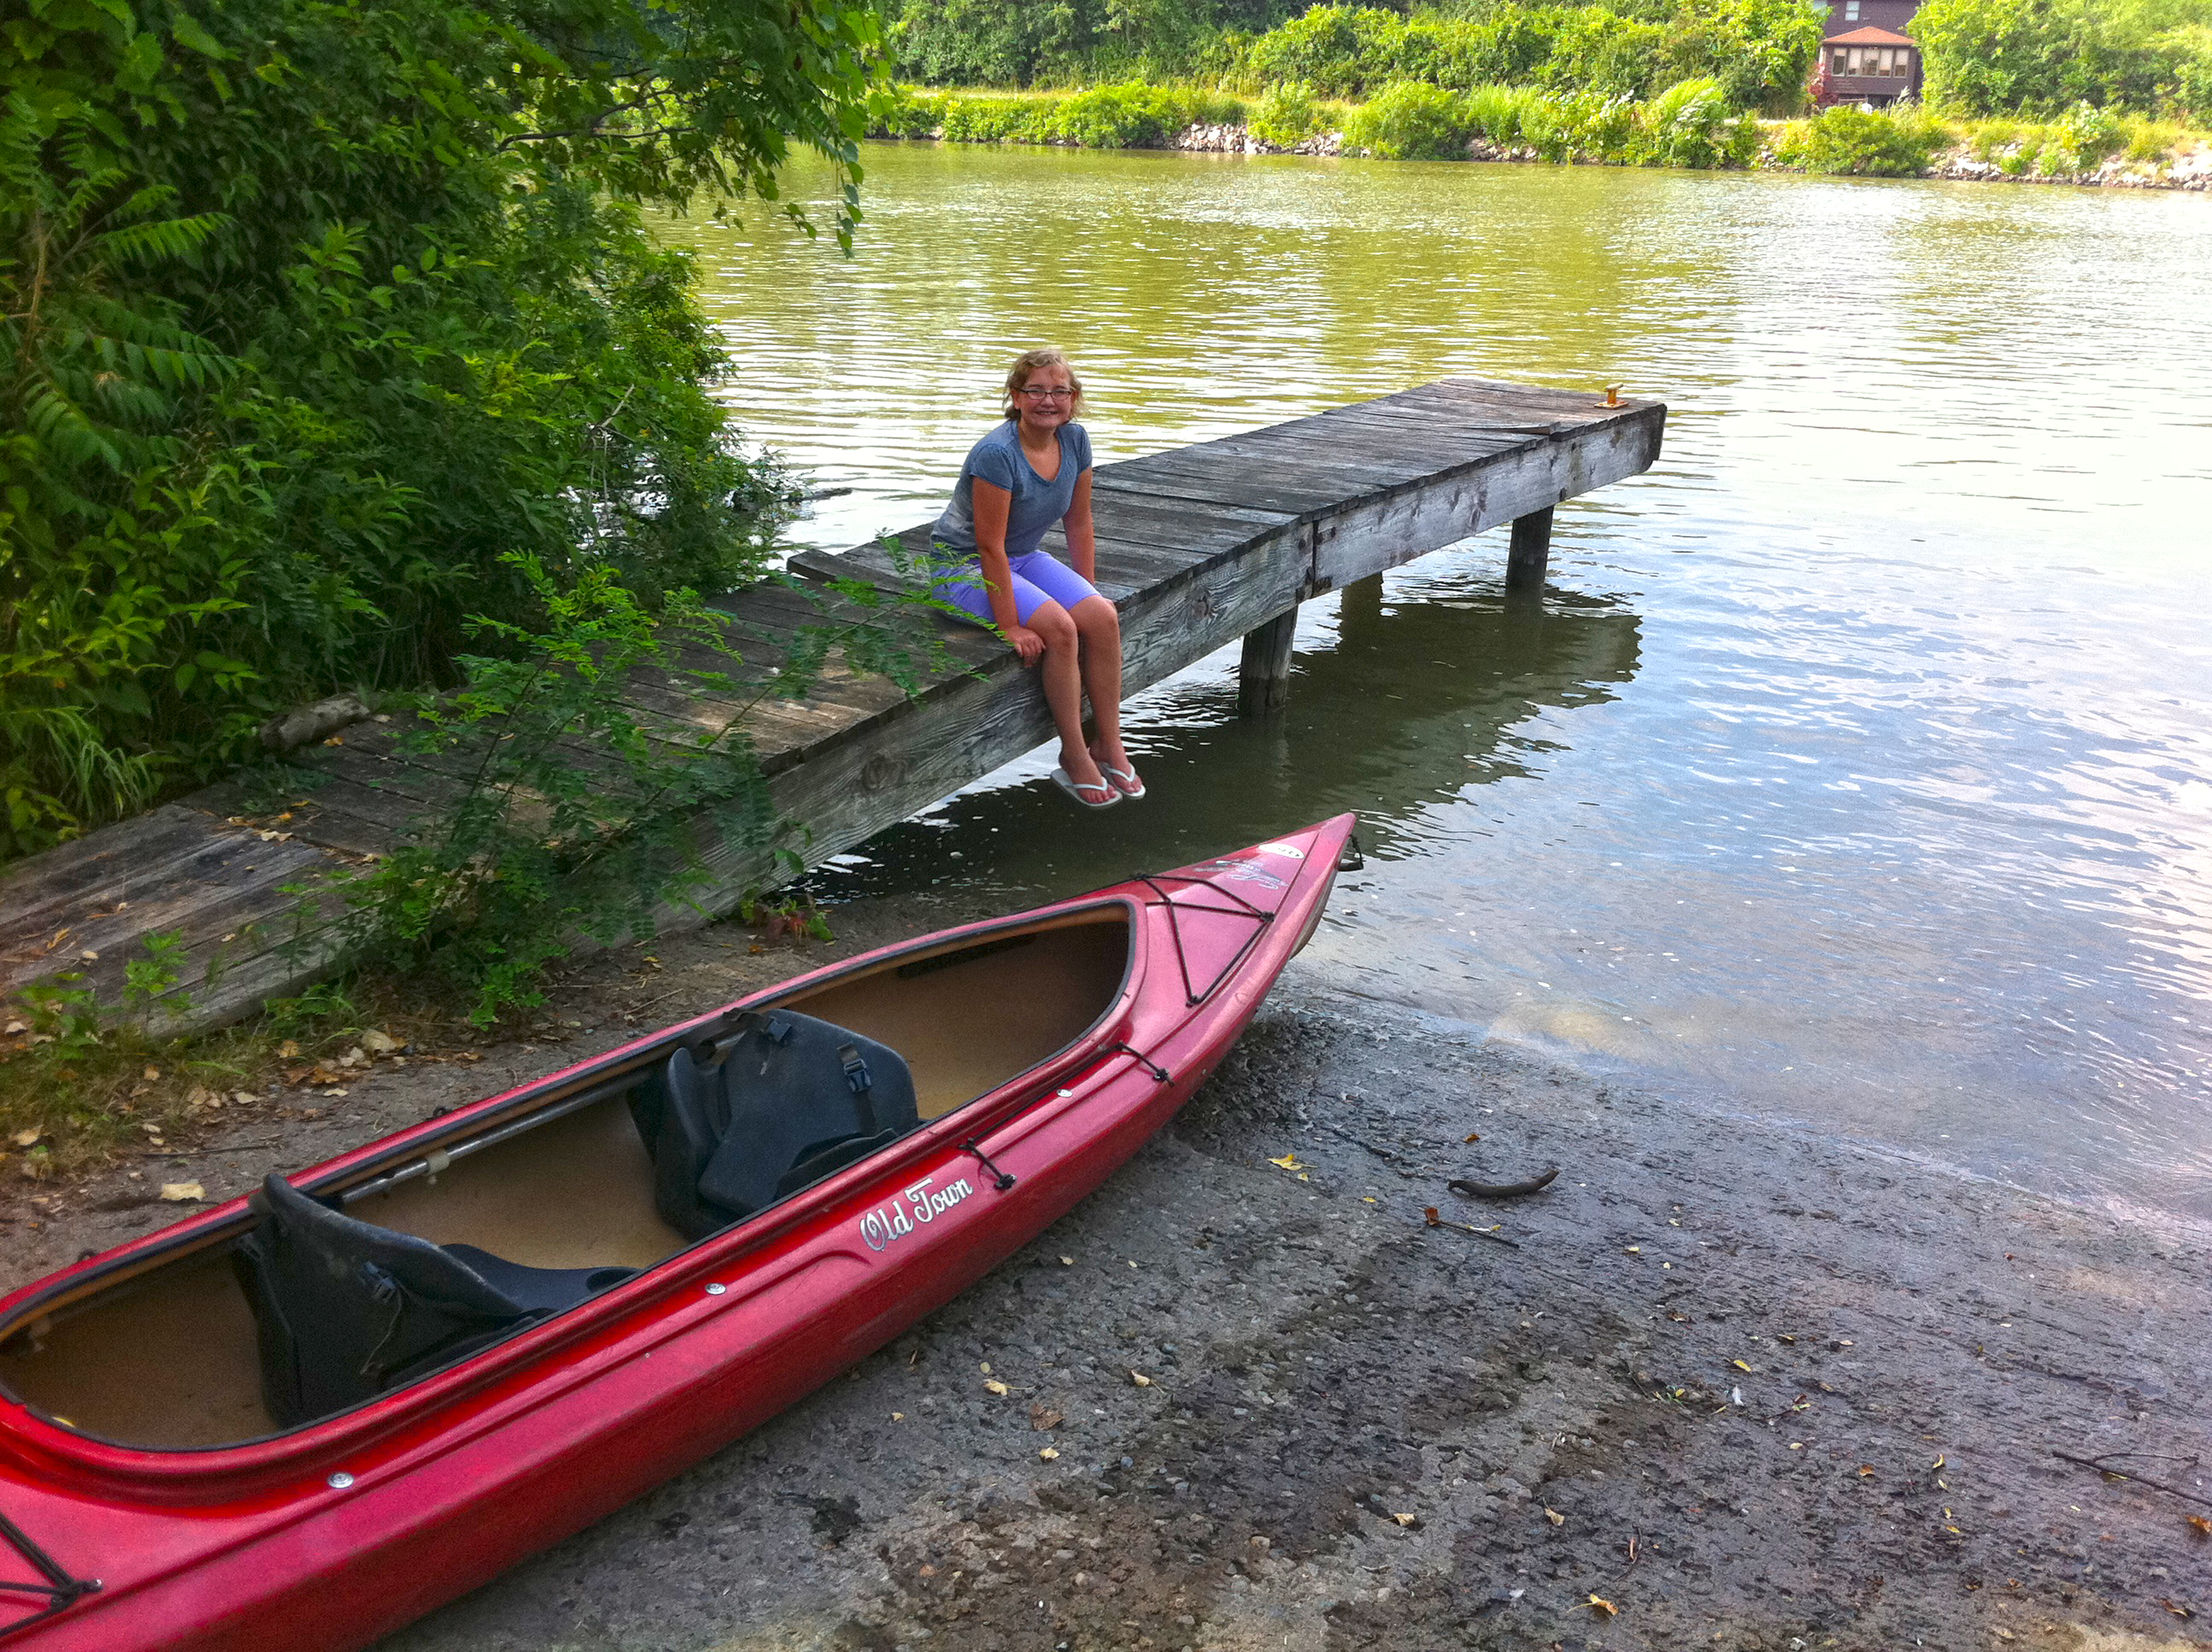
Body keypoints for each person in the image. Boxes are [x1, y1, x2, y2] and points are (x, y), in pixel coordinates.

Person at [929, 347, 1143, 810]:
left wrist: (1086, 590)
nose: (1049, 400)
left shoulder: (1076, 441)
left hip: (1022, 557)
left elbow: (1079, 522)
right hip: (963, 567)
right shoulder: (996, 454)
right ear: (1016, 397)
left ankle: (1108, 744)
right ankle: (1073, 753)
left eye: (1060, 391)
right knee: (1061, 630)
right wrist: (1009, 625)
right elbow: (987, 545)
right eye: (1036, 391)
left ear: (1074, 398)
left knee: (1101, 618)